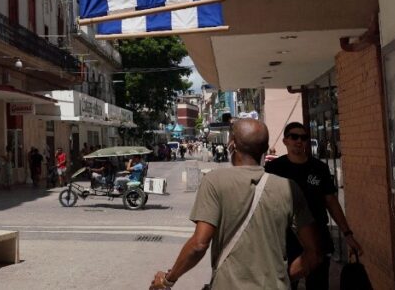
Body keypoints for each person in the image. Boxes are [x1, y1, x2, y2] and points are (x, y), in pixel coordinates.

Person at [148, 119, 320, 290]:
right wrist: (283, 278)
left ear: (232, 145)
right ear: (265, 148)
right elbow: (314, 252)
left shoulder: (214, 181)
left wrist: (168, 280)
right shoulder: (288, 188)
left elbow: (199, 244)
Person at [265, 122, 363, 290]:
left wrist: (347, 233)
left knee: (318, 285)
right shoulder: (274, 169)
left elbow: (331, 202)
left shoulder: (319, 168)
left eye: (303, 138)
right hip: (286, 240)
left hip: (318, 237)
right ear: (285, 141)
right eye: (294, 137)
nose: (299, 141)